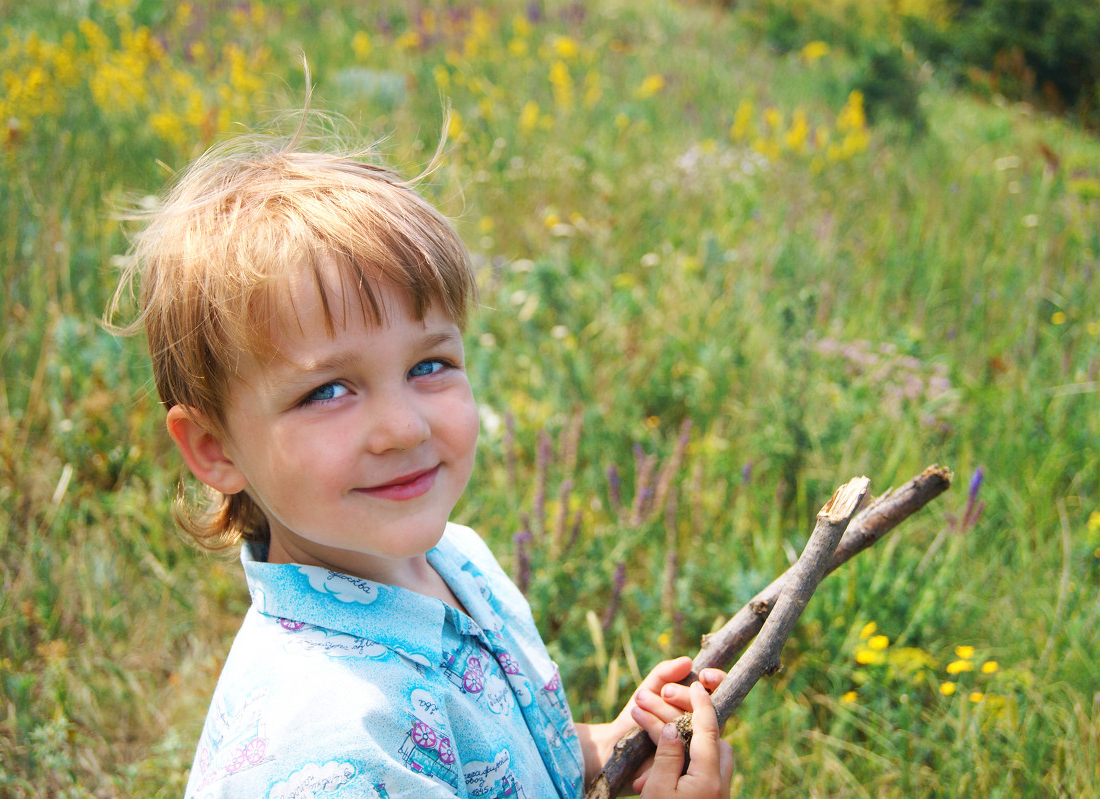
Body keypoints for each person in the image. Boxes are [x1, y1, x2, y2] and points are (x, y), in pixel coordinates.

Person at [109, 125, 734, 798]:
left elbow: (503, 766)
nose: (403, 427)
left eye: (428, 364)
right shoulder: (335, 751)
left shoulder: (457, 560)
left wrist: (613, 744)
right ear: (215, 448)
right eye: (328, 390)